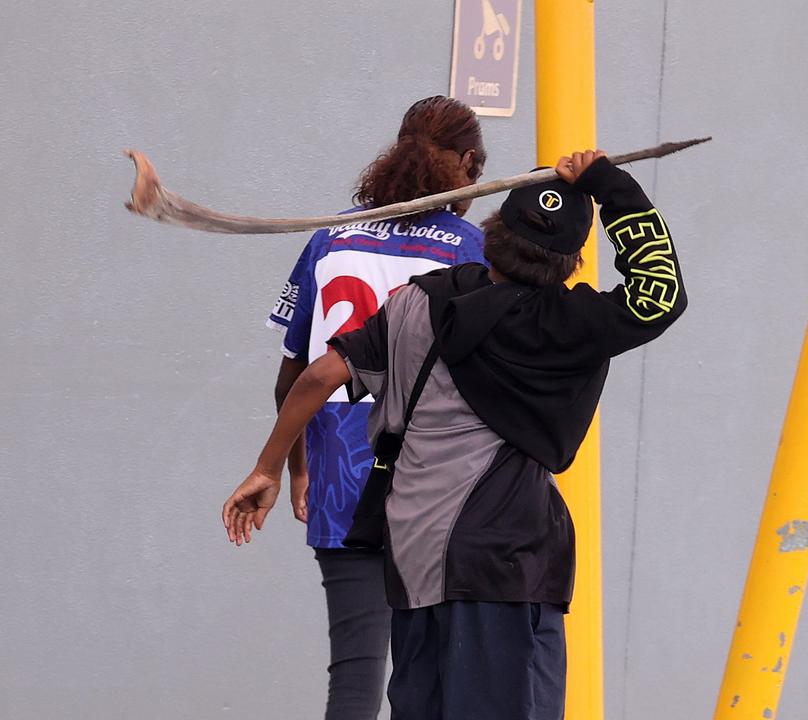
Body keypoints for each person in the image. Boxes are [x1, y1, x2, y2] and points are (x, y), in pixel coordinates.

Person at [227, 149, 687, 719]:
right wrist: (610, 186)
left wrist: (268, 467)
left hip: (414, 558)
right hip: (502, 562)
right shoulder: (571, 326)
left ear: (492, 233)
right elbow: (659, 291)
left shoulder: (422, 300)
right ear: (570, 262)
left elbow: (319, 375)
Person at [263, 95, 488, 720]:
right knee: (438, 679)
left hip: (339, 469)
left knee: (356, 678)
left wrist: (299, 465)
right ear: (469, 163)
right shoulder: (472, 250)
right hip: (436, 480)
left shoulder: (330, 237)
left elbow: (294, 374)